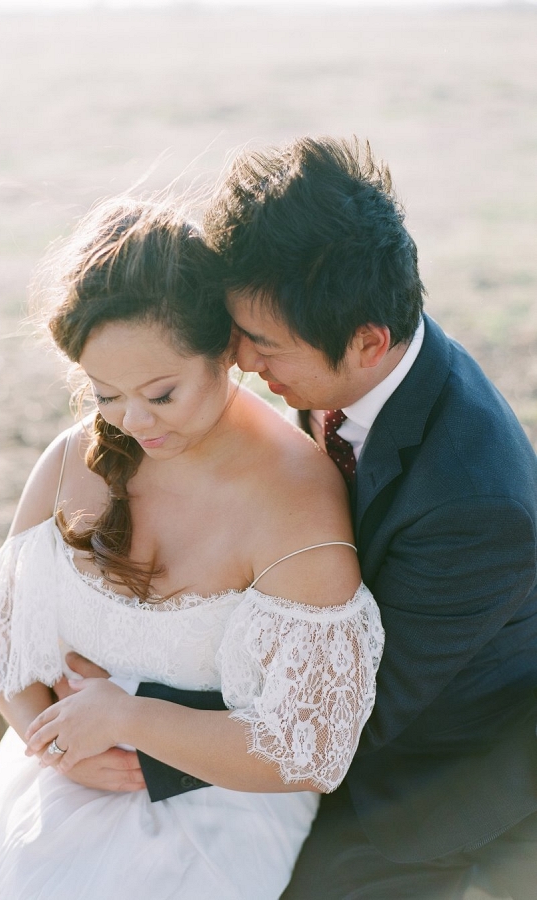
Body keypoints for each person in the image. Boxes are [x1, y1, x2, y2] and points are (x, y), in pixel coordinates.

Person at [0, 197, 383, 900]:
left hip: (221, 799)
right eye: (105, 392)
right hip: (63, 772)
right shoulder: (72, 458)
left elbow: (308, 748)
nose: (132, 421)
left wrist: (128, 718)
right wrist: (53, 746)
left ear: (226, 353)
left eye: (162, 393)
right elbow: (1, 649)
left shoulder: (295, 497)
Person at [201, 136, 537, 899]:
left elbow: (350, 716)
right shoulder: (345, 341)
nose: (243, 364)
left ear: (367, 343)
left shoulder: (478, 504)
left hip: (432, 771)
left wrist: (148, 729)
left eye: (262, 345)